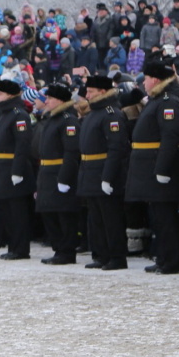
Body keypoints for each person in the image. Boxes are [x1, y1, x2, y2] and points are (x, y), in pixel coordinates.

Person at [127, 60, 179, 274]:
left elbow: (170, 137)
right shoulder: (157, 100)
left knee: (166, 217)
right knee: (157, 217)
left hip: (159, 167)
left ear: (155, 79)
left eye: (146, 79)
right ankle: (163, 257)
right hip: (148, 167)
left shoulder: (168, 101)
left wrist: (162, 169)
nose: (144, 83)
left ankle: (172, 260)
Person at [76, 75, 129, 270]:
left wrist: (108, 177)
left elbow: (116, 147)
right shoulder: (93, 113)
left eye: (91, 91)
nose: (87, 95)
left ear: (103, 92)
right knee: (95, 218)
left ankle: (116, 257)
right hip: (90, 171)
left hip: (103, 170)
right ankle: (101, 254)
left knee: (110, 218)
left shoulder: (111, 113)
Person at [32, 84, 81, 264]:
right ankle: (58, 248)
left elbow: (71, 152)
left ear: (60, 100)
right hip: (47, 171)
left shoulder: (68, 119)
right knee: (49, 212)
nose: (47, 102)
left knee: (63, 214)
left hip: (59, 171)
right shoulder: (52, 118)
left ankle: (67, 251)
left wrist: (65, 177)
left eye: (51, 99)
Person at [0, 78, 35, 260]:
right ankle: (13, 246)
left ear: (9, 95)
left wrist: (17, 171)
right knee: (7, 210)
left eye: (0, 94)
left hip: (14, 168)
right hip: (2, 167)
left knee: (17, 212)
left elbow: (22, 145)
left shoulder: (19, 115)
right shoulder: (5, 114)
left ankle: (21, 248)